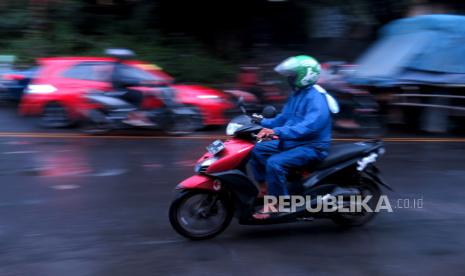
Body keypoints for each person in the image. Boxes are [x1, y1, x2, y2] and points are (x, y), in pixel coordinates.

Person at [249, 55, 339, 218]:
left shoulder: (316, 99)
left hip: (312, 146)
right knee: (257, 149)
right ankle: (266, 189)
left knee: (274, 163)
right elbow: (283, 118)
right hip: (294, 141)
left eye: (292, 75)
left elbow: (308, 127)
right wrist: (262, 121)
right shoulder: (297, 94)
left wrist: (276, 132)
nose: (288, 78)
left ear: (305, 76)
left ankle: (277, 204)